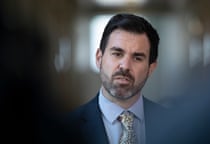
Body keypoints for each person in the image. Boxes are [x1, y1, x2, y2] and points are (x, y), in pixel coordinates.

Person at [63, 13, 166, 144]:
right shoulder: (66, 128)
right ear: (99, 59)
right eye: (117, 54)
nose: (125, 66)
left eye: (137, 58)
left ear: (151, 68)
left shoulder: (176, 125)